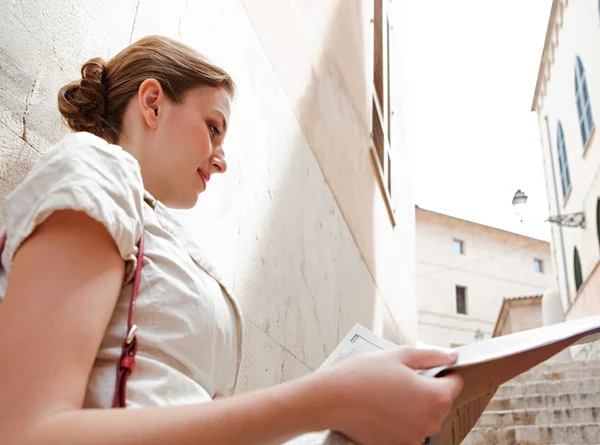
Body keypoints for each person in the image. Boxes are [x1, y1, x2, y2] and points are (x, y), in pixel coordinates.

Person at [0, 35, 463, 445]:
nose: (220, 162)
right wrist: (329, 400)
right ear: (152, 103)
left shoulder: (159, 230)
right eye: (213, 128)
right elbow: (29, 432)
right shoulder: (96, 168)